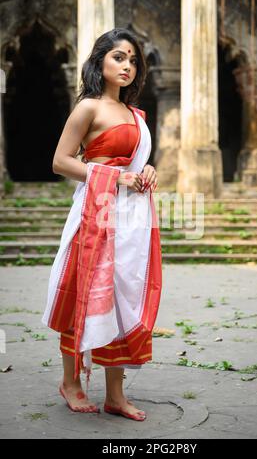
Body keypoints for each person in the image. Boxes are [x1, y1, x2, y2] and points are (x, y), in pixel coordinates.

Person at [42, 28, 162, 421]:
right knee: (86, 294)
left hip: (131, 222)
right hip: (94, 217)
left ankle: (115, 395)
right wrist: (113, 177)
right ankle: (71, 382)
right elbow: (61, 161)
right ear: (100, 62)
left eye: (132, 60)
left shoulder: (134, 114)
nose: (127, 65)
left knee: (122, 302)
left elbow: (130, 165)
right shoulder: (89, 108)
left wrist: (145, 170)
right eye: (118, 57)